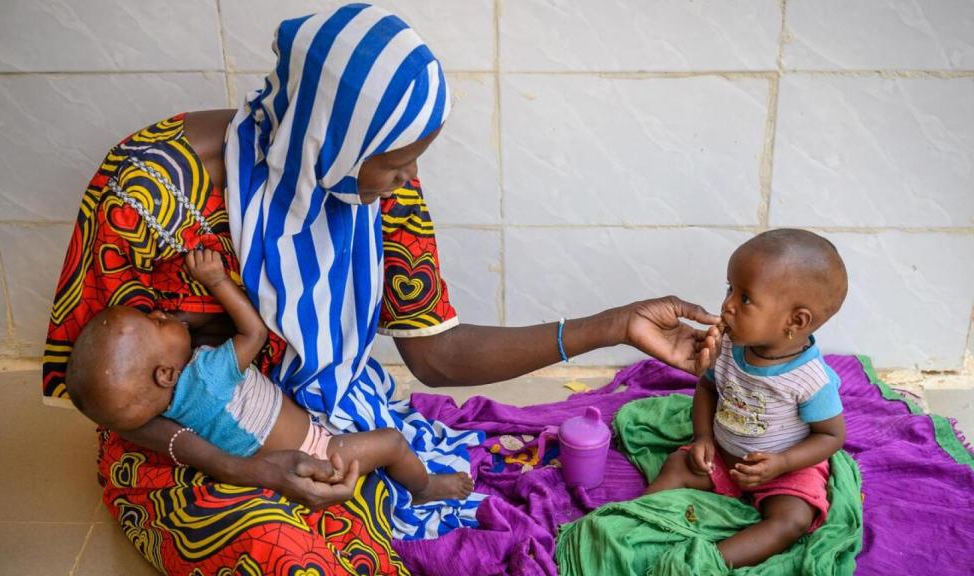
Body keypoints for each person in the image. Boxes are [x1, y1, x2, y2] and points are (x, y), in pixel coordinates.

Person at [42, 5, 718, 573]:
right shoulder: (147, 193)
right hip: (181, 441)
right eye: (395, 166)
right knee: (284, 555)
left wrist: (610, 326)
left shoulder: (369, 178)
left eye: (411, 162)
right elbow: (109, 396)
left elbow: (435, 353)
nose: (403, 183)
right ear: (330, 138)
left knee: (392, 498)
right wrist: (251, 472)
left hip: (319, 422)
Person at [66, 248, 474, 504]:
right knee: (392, 443)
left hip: (285, 458)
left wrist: (177, 326)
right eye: (157, 323)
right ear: (165, 373)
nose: (162, 313)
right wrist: (216, 281)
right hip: (321, 452)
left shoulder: (172, 410)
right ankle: (423, 488)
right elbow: (255, 332)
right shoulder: (207, 376)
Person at [642, 228, 849, 568]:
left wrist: (781, 464)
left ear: (795, 321)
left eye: (745, 298)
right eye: (730, 289)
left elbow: (831, 436)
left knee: (792, 520)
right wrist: (703, 437)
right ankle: (629, 520)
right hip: (724, 455)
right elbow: (707, 388)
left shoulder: (811, 380)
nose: (727, 306)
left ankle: (708, 563)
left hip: (784, 468)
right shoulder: (727, 346)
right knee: (678, 465)